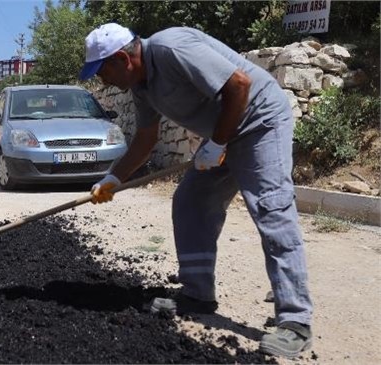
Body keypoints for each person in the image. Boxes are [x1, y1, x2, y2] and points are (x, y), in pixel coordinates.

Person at [80, 23, 313, 359]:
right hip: (224, 132)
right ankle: (198, 294)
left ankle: (296, 322)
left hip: (260, 122)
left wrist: (217, 142)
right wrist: (113, 179)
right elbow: (146, 139)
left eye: (102, 72)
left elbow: (238, 84)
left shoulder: (171, 49)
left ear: (122, 59)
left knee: (270, 209)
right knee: (191, 202)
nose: (103, 82)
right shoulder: (141, 86)